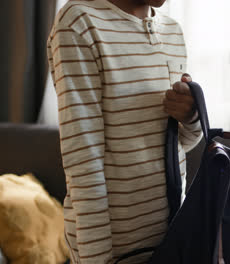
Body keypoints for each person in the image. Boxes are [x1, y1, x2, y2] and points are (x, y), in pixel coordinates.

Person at [47, 0, 203, 263]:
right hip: (113, 247)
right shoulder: (78, 23)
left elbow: (180, 144)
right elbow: (84, 161)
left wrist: (191, 117)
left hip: (173, 235)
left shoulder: (173, 31)